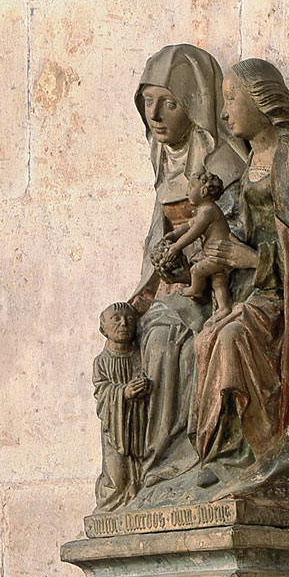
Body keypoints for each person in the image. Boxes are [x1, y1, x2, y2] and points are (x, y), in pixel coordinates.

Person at [191, 58, 289, 487]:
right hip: (256, 293)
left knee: (233, 339)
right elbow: (244, 223)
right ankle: (224, 455)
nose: (224, 113)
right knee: (206, 340)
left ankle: (271, 453)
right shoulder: (255, 156)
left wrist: (250, 260)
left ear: (262, 101)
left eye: (231, 99)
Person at [129, 45, 249, 488]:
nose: (155, 114)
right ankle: (155, 464)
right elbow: (156, 242)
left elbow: (238, 233)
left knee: (169, 340)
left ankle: (184, 455)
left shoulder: (224, 165)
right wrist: (147, 289)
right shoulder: (164, 167)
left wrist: (185, 265)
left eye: (169, 103)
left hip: (221, 280)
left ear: (195, 107)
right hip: (174, 284)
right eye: (148, 102)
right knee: (142, 335)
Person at [94, 303, 152, 511]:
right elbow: (101, 392)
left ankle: (139, 497)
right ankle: (113, 503)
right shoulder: (102, 362)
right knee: (117, 477)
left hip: (140, 422)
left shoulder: (142, 354)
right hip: (115, 427)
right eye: (116, 319)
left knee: (143, 468)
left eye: (129, 319)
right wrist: (123, 392)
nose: (124, 323)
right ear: (104, 328)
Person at [155, 173, 236, 313]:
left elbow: (194, 233)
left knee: (196, 270)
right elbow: (187, 226)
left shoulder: (208, 211)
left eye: (191, 188)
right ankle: (224, 307)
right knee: (218, 280)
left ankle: (195, 290)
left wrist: (176, 246)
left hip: (219, 253)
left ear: (204, 191)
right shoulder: (203, 211)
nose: (187, 192)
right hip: (215, 254)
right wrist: (172, 235)